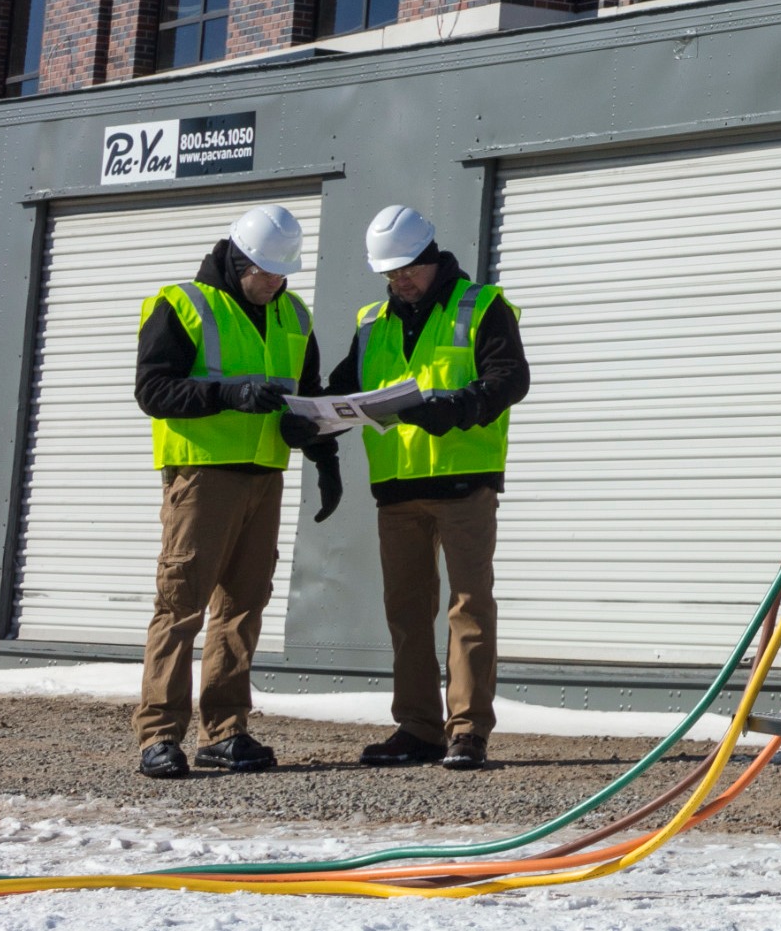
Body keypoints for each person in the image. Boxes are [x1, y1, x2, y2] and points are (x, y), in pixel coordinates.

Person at [129, 203, 326, 780]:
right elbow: (153, 390)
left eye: (281, 274)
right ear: (237, 260)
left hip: (265, 475)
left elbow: (306, 395)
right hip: (202, 476)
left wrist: (309, 432)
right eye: (264, 273)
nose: (274, 284)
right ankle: (160, 735)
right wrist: (227, 395)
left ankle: (226, 730)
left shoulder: (293, 313)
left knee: (243, 607)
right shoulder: (182, 305)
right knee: (181, 604)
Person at [348, 204, 531, 771]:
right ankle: (418, 727)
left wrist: (456, 407)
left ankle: (468, 730)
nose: (400, 279)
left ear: (431, 255)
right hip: (397, 487)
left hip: (462, 484)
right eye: (390, 272)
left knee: (469, 607)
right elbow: (344, 389)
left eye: (408, 267)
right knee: (406, 611)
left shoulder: (482, 306)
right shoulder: (371, 321)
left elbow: (510, 379)